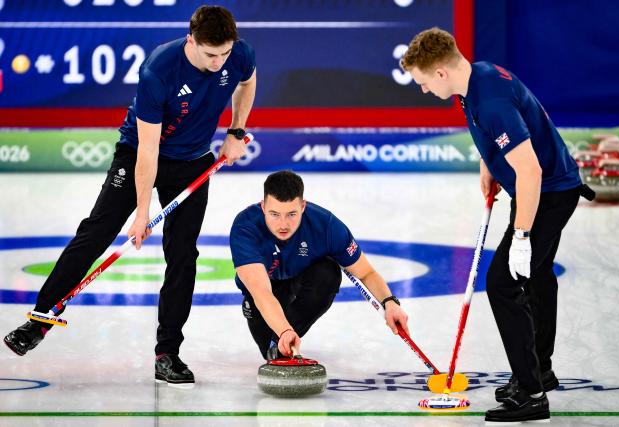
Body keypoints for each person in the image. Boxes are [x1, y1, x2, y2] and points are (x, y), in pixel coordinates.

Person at [4, 5, 256, 389]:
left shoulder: (238, 54)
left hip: (194, 161)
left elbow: (247, 81)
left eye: (224, 53)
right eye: (210, 55)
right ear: (192, 40)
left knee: (183, 253)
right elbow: (148, 153)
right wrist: (141, 214)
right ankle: (40, 320)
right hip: (141, 151)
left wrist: (236, 130)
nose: (219, 62)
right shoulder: (160, 70)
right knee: (97, 232)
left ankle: (167, 353)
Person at [400, 28, 593, 423]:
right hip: (544, 187)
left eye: (421, 82)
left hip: (547, 193)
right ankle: (539, 369)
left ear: (439, 72)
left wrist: (521, 236)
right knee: (536, 276)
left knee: (505, 283)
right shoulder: (479, 77)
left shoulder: (490, 102)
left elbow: (531, 172)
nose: (422, 91)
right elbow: (506, 136)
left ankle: (532, 394)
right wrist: (491, 165)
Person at [230, 170, 410, 360]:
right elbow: (261, 292)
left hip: (301, 278)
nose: (283, 224)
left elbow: (366, 273)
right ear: (263, 207)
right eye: (274, 214)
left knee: (328, 273)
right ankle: (279, 340)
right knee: (257, 310)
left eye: (292, 214)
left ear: (303, 206)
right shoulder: (246, 227)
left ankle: (280, 344)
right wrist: (284, 331)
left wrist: (390, 302)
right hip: (267, 292)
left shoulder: (327, 226)